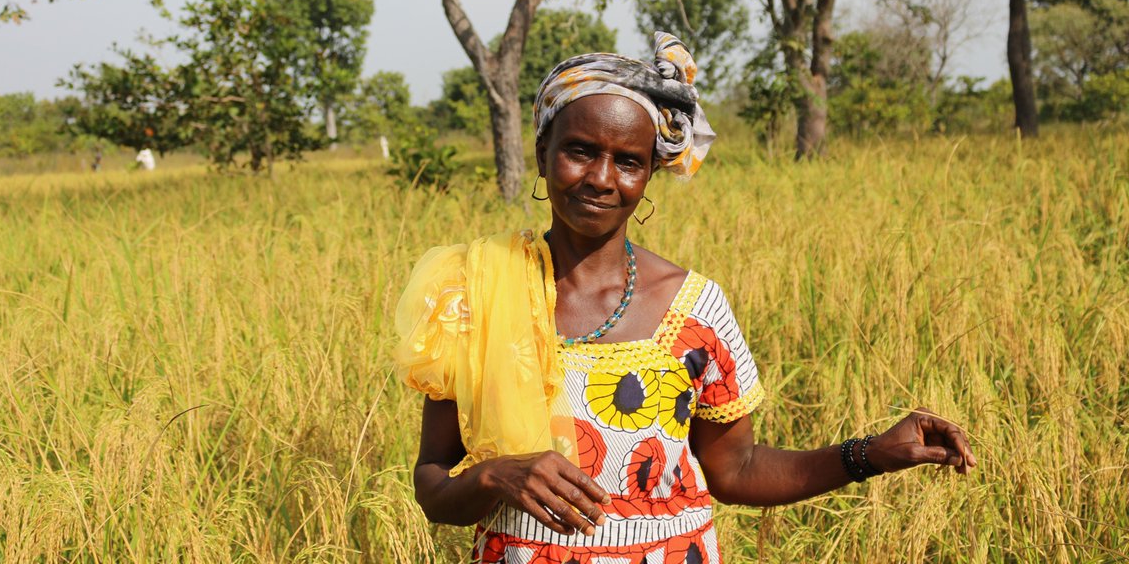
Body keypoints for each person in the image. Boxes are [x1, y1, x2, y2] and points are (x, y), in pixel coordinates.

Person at [395, 33, 977, 563]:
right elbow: (434, 484)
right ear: (544, 152)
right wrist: (495, 476)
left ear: (650, 174)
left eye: (628, 161)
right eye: (579, 150)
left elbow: (738, 470)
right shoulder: (474, 294)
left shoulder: (694, 308)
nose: (601, 178)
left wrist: (870, 453)